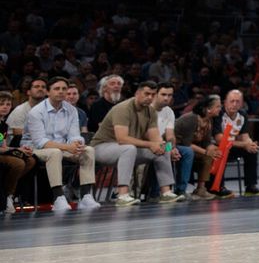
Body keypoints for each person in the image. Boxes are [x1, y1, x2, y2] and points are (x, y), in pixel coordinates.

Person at [90, 81, 178, 205]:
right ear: (137, 93)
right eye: (146, 94)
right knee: (128, 148)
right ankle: (122, 195)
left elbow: (155, 138)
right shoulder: (123, 108)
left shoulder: (150, 111)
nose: (149, 97)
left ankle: (166, 193)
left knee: (162, 149)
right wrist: (150, 145)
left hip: (128, 149)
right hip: (102, 148)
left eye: (152, 94)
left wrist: (168, 148)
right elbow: (122, 139)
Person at [23, 77, 100, 212]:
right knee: (55, 152)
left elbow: (74, 135)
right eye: (57, 89)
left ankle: (86, 196)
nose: (61, 92)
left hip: (62, 147)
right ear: (48, 92)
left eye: (64, 89)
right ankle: (59, 197)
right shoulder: (36, 112)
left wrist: (77, 143)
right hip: (34, 149)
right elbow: (41, 142)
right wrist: (68, 147)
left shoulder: (71, 110)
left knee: (88, 150)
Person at [218, 89, 259, 196]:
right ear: (225, 102)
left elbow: (245, 136)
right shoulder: (219, 113)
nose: (234, 104)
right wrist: (244, 144)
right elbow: (220, 139)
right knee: (221, 150)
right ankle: (219, 187)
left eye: (238, 101)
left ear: (242, 103)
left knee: (251, 151)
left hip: (233, 145)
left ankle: (250, 186)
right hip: (218, 146)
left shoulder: (243, 114)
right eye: (232, 101)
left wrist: (250, 144)